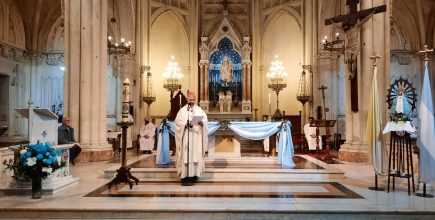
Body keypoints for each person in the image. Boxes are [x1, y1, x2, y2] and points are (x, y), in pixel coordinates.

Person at [175, 91, 208, 186]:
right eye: (190, 100)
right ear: (187, 99)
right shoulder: (182, 111)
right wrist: (185, 125)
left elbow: (205, 121)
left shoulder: (199, 110)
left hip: (196, 137)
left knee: (195, 155)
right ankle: (185, 176)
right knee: (186, 155)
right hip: (186, 136)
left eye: (193, 100)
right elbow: (177, 122)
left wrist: (202, 124)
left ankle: (194, 175)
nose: (192, 101)